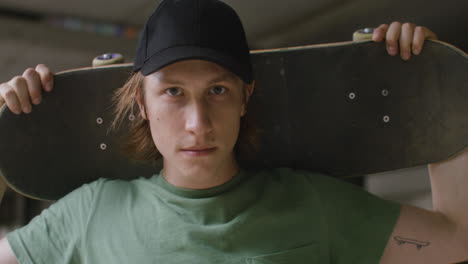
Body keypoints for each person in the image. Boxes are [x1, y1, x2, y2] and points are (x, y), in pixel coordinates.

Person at [0, 0, 467, 263]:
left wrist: (430, 96)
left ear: (247, 98)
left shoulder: (314, 206)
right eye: (174, 92)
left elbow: (456, 239)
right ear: (141, 102)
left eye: (218, 90)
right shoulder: (90, 214)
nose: (198, 124)